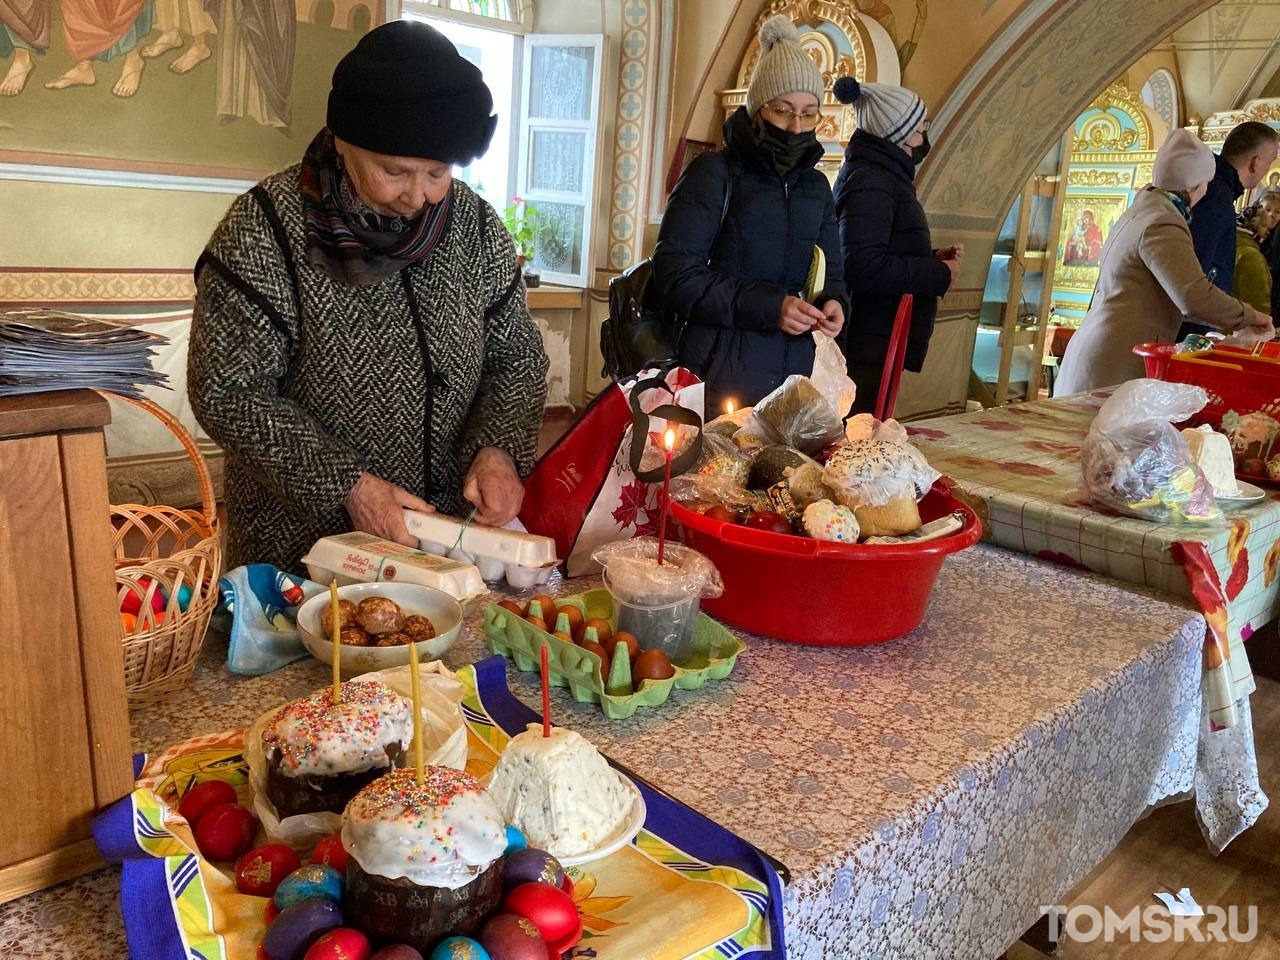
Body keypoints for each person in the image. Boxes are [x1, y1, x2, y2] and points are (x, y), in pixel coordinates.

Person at [188, 20, 549, 574]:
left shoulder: (474, 227)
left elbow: (516, 360)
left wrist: (498, 448)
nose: (418, 196)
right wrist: (347, 485)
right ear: (343, 140)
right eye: (395, 171)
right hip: (301, 552)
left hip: (445, 548)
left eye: (437, 172)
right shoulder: (266, 228)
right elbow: (228, 390)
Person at [652, 15, 847, 411]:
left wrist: (835, 303)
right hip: (716, 374)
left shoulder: (816, 187)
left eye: (809, 113)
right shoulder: (713, 173)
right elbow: (675, 274)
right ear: (757, 109)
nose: (796, 126)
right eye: (782, 110)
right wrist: (769, 307)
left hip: (794, 378)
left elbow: (832, 272)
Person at [1056, 129, 1273, 396]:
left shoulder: (1144, 208)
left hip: (1102, 349)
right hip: (1116, 358)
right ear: (1195, 186)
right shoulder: (1164, 221)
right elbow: (1194, 296)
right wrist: (1251, 316)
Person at [830, 75, 959, 414]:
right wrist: (936, 273)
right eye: (920, 128)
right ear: (897, 133)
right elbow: (861, 265)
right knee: (858, 442)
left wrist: (930, 258)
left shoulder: (882, 177)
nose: (924, 137)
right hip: (866, 343)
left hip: (876, 340)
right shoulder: (872, 181)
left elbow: (878, 248)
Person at [1180, 120, 1279, 338]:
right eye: (1270, 162)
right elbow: (1196, 275)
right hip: (1186, 330)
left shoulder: (1211, 188)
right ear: (1255, 162)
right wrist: (1251, 317)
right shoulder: (1216, 196)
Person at [1233, 203, 1273, 315]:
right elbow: (1258, 300)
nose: (1267, 232)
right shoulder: (1251, 256)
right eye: (1264, 226)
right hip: (1239, 324)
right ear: (1253, 225)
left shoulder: (1230, 244)